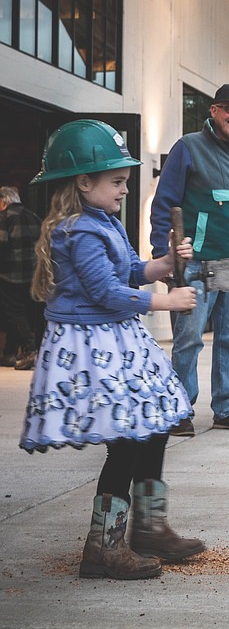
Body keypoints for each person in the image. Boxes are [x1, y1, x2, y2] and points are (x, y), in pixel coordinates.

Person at [19, 119, 205, 580]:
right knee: (126, 444)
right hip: (93, 346)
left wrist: (164, 264)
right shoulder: (79, 231)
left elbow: (128, 271)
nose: (125, 189)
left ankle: (148, 527)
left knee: (156, 425)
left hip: (116, 338)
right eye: (117, 181)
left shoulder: (102, 221)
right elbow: (105, 292)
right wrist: (166, 299)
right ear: (84, 182)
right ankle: (104, 547)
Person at [150, 83, 229, 436]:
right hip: (197, 264)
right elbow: (164, 205)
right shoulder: (188, 148)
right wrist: (163, 254)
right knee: (188, 339)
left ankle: (228, 408)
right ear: (214, 111)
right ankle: (179, 409)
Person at [0, 186, 44, 370]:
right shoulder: (33, 216)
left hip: (10, 274)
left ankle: (29, 350)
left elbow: (1, 245)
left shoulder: (4, 218)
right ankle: (10, 353)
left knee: (13, 312)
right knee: (22, 312)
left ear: (3, 201)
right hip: (32, 275)